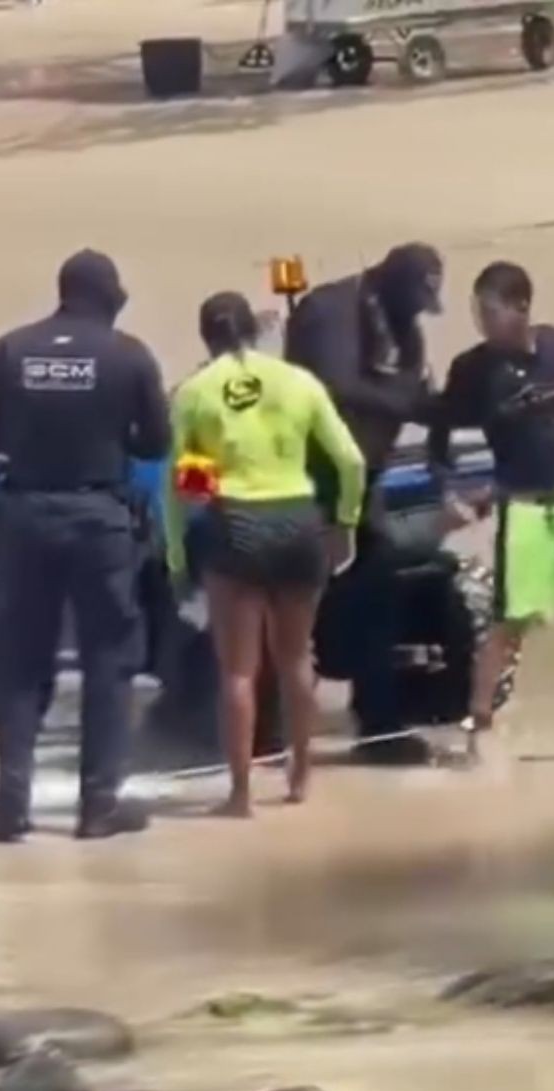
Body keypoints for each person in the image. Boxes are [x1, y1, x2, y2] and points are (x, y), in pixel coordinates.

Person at [0, 249, 171, 843]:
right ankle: (98, 805)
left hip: (27, 515)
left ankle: (10, 805)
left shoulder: (9, 350)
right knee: (108, 661)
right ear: (108, 296)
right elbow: (157, 441)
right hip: (99, 517)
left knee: (20, 662)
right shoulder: (128, 354)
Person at [166, 294, 364, 814]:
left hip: (236, 524)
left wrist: (176, 558)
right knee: (297, 658)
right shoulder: (298, 382)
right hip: (297, 520)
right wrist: (345, 520)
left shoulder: (194, 392)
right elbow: (350, 460)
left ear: (205, 336)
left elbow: (182, 489)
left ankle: (240, 794)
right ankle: (300, 778)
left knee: (238, 671)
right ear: (254, 330)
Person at [428, 263, 554, 761]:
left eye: (488, 312)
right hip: (521, 505)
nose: (481, 322)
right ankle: (480, 730)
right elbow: (440, 430)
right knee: (509, 622)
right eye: (477, 311)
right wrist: (448, 487)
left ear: (520, 309)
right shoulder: (472, 371)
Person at [283, 243, 444, 765]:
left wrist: (436, 408)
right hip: (304, 478)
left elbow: (410, 386)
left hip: (364, 477)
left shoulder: (402, 325)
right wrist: (409, 401)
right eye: (414, 301)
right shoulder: (330, 311)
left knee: (381, 591)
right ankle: (271, 728)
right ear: (389, 281)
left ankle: (378, 722)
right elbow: (333, 386)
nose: (417, 314)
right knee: (293, 601)